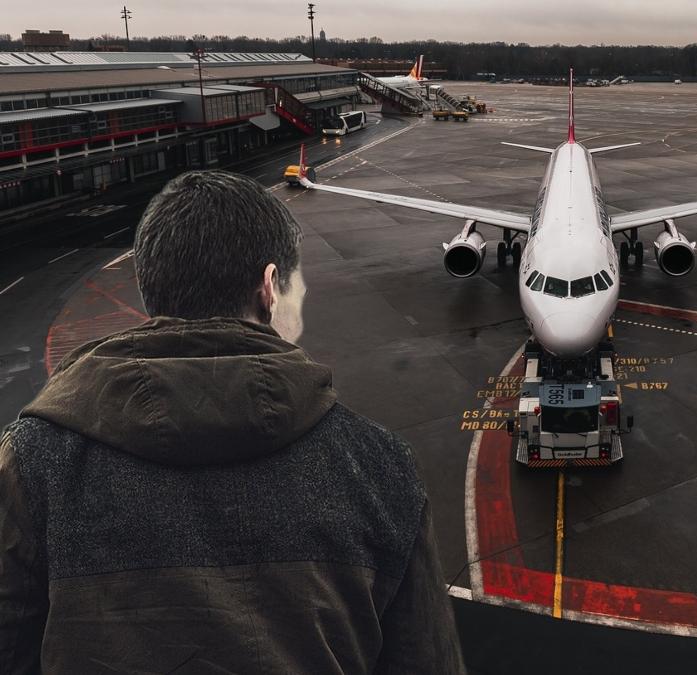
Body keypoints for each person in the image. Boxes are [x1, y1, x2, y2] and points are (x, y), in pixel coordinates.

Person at [0, 170, 465, 674]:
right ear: (269, 288)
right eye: (298, 287)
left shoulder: (33, 460)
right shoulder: (380, 467)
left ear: (152, 289)